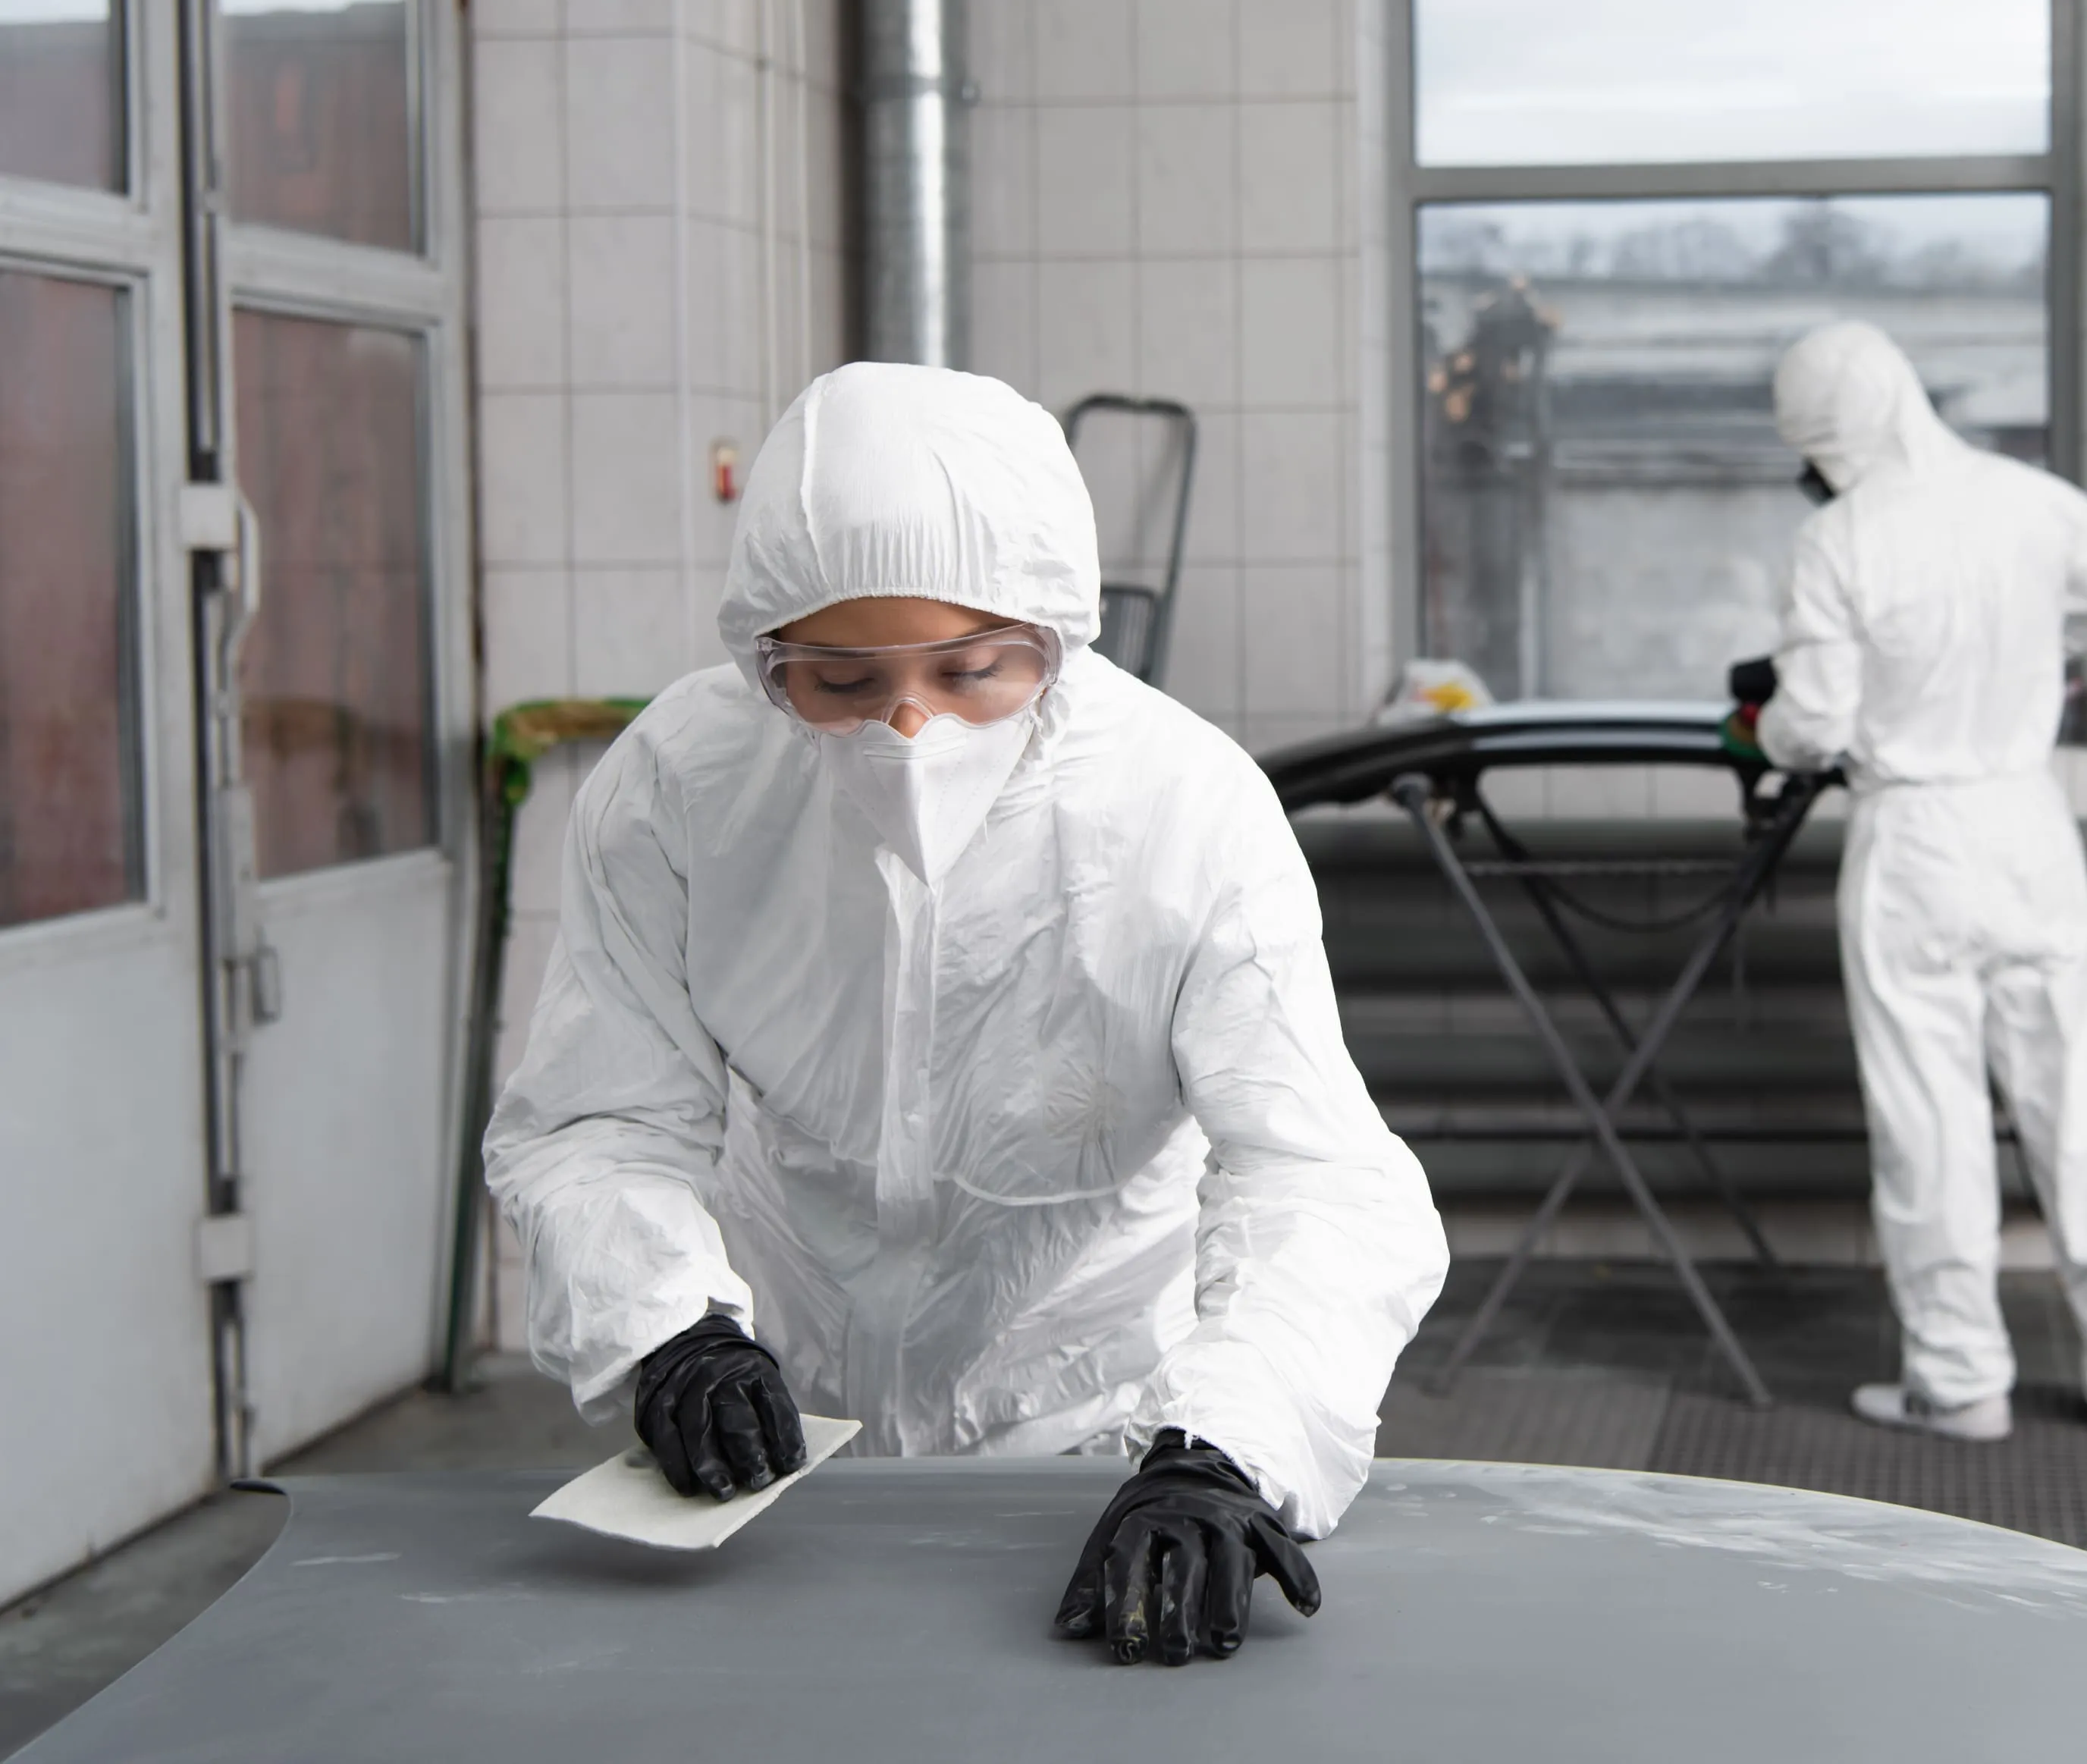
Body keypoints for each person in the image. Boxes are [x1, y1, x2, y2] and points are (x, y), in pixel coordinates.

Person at [485, 363, 1448, 1665]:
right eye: (837, 681)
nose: (909, 726)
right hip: (783, 1447)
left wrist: (1230, 1446)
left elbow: (1316, 1174)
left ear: (1054, 634)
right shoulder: (683, 787)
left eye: (973, 668)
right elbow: (601, 1117)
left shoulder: (1183, 809)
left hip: (1101, 1453)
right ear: (764, 659)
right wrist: (669, 1328)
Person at [1737, 321, 2087, 1445]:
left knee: (1930, 1119)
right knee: (2079, 1099)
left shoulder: (1839, 537)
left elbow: (1815, 725)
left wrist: (1770, 725)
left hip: (1914, 840)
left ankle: (1961, 1380)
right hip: (2028, 822)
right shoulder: (2035, 500)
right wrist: (2021, 647)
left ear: (1827, 439)